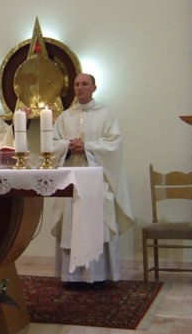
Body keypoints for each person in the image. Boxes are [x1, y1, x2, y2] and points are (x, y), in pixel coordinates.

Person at [51, 73, 134, 287]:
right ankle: (72, 277)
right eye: (77, 85)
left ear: (94, 88)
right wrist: (67, 146)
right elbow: (51, 144)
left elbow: (114, 146)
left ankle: (98, 276)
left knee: (96, 225)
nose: (80, 88)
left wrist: (87, 147)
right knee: (72, 225)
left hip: (97, 182)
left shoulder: (107, 115)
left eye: (84, 84)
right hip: (71, 181)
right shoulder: (65, 117)